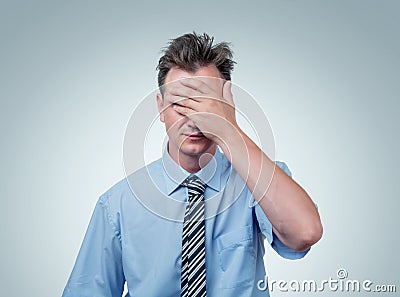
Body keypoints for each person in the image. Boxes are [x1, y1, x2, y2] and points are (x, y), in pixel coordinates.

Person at [62, 32, 323, 297]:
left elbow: (305, 233)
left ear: (226, 106)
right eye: (180, 105)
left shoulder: (257, 181)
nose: (193, 119)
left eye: (205, 105)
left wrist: (228, 130)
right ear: (161, 107)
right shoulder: (117, 204)